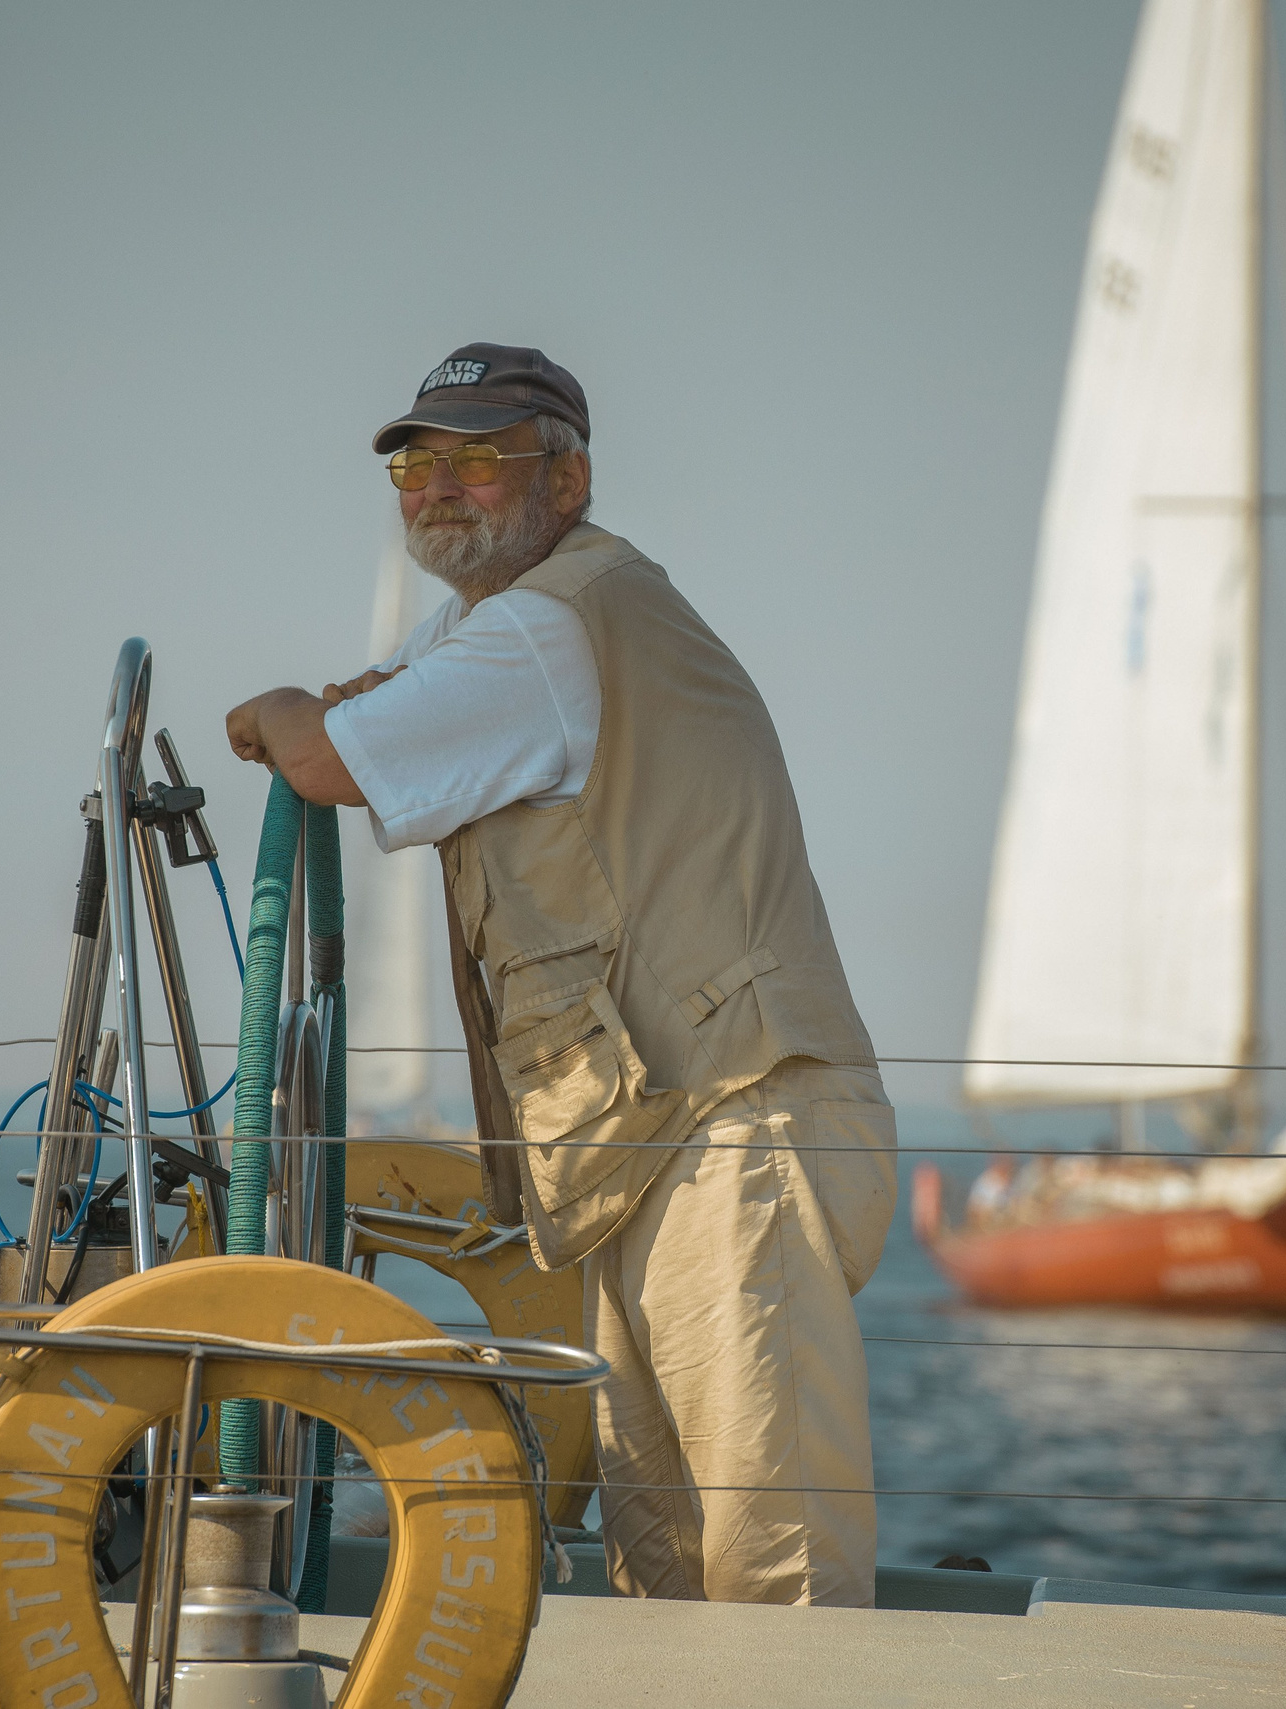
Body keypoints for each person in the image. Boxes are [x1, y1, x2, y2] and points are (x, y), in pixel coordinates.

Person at [226, 344, 895, 1606]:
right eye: (417, 463)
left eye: (480, 458)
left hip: (733, 1128)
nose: (437, 486)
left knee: (770, 1565)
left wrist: (272, 709)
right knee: (666, 1560)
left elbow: (328, 755)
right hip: (672, 1138)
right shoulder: (522, 616)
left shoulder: (549, 623)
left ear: (567, 476)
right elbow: (393, 693)